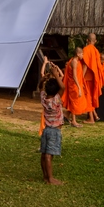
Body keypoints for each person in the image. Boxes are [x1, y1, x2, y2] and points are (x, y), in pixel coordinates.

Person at [38, 57, 65, 185]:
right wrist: (55, 74)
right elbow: (63, 87)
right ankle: (50, 179)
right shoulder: (56, 100)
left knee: (44, 154)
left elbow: (40, 88)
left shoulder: (44, 98)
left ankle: (45, 176)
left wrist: (42, 80)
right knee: (49, 155)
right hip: (54, 131)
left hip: (46, 130)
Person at [61, 47, 92, 127]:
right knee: (75, 102)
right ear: (78, 54)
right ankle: (74, 121)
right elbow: (74, 76)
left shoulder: (77, 61)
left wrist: (81, 84)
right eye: (82, 54)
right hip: (74, 85)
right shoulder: (74, 62)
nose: (83, 55)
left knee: (78, 101)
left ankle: (66, 114)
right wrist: (78, 87)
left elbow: (78, 75)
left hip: (76, 84)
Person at [81, 33, 104, 121]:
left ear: (87, 40)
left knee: (88, 98)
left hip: (87, 77)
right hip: (94, 78)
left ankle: (91, 118)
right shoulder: (96, 51)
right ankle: (94, 115)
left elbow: (85, 65)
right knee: (90, 97)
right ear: (95, 41)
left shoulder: (86, 49)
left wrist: (81, 77)